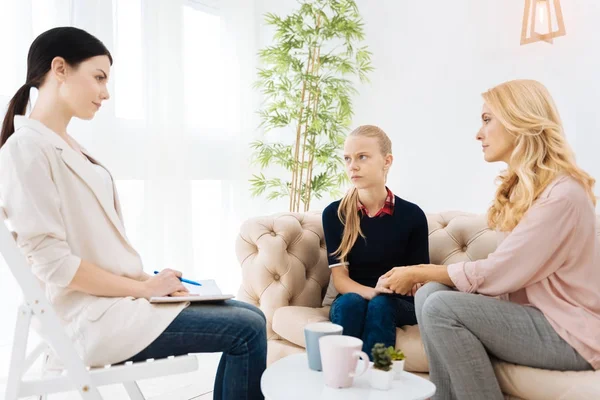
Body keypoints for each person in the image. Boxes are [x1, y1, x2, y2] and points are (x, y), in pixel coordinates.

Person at [0, 27, 266, 400]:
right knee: (248, 330)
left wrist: (151, 282)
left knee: (252, 316)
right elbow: (54, 266)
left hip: (116, 304)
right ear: (59, 69)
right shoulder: (25, 149)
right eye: (98, 78)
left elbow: (98, 249)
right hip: (91, 320)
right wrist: (144, 289)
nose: (105, 93)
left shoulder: (65, 146)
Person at [381, 79, 599, 399]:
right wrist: (429, 279)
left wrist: (419, 270)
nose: (478, 133)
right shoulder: (534, 190)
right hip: (542, 319)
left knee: (440, 304)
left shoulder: (561, 194)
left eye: (487, 120)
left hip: (572, 334)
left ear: (519, 120)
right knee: (430, 294)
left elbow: (499, 271)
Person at [322, 125, 429, 358]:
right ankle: (340, 379)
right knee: (352, 303)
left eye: (362, 157)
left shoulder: (413, 216)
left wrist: (401, 286)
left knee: (381, 306)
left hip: (398, 303)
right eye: (348, 159)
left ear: (387, 161)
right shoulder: (334, 214)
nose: (353, 166)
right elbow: (340, 279)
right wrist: (373, 292)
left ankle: (378, 380)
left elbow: (418, 275)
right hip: (354, 295)